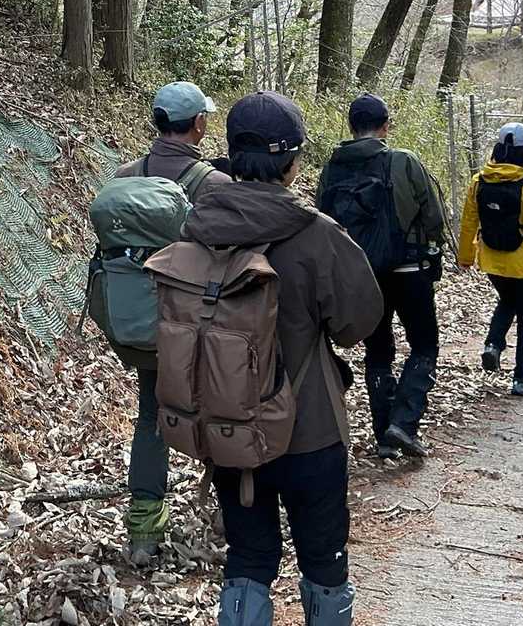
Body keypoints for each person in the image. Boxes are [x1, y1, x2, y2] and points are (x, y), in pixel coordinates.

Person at [179, 91, 383, 626]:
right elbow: (357, 323)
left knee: (247, 557)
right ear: (292, 161)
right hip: (309, 427)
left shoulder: (197, 230)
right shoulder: (317, 235)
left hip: (229, 427)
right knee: (324, 559)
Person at [109, 81, 232, 564]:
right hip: (202, 326)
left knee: (150, 418)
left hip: (145, 323)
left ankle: (143, 530)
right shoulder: (214, 185)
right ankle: (231, 515)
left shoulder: (125, 176)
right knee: (224, 411)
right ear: (199, 124)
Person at [317, 93, 447, 459]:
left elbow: (322, 219)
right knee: (424, 344)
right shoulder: (403, 161)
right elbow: (433, 216)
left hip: (362, 275)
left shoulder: (333, 167)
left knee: (378, 351)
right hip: (409, 270)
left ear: (351, 126)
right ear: (386, 126)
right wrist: (432, 247)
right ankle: (403, 423)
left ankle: (384, 435)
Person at [457, 122, 523, 396]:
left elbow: (469, 222)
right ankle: (521, 380)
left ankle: (493, 344)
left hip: (492, 261)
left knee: (507, 300)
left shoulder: (478, 182)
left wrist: (466, 256)